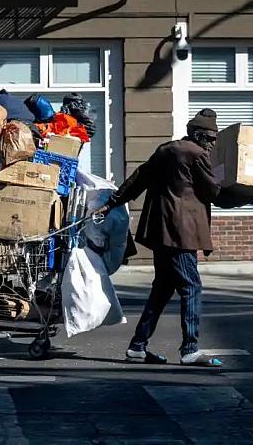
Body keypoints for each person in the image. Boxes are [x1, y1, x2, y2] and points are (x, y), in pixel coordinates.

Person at [95, 109, 224, 368]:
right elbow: (214, 191)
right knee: (191, 287)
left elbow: (138, 179)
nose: (212, 144)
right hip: (181, 233)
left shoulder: (165, 149)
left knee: (163, 289)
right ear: (198, 136)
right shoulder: (196, 155)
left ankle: (138, 347)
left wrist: (112, 203)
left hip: (160, 231)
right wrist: (246, 193)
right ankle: (190, 350)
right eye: (210, 139)